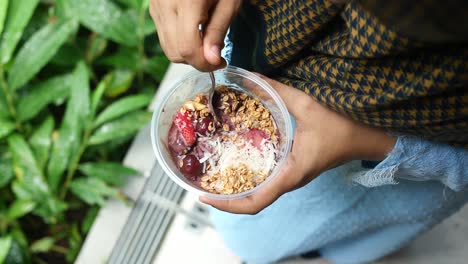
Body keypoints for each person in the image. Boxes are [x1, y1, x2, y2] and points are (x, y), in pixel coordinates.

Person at [150, 0, 468, 263]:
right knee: (260, 235)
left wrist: (376, 143)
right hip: (277, 130)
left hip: (401, 174)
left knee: (359, 239)